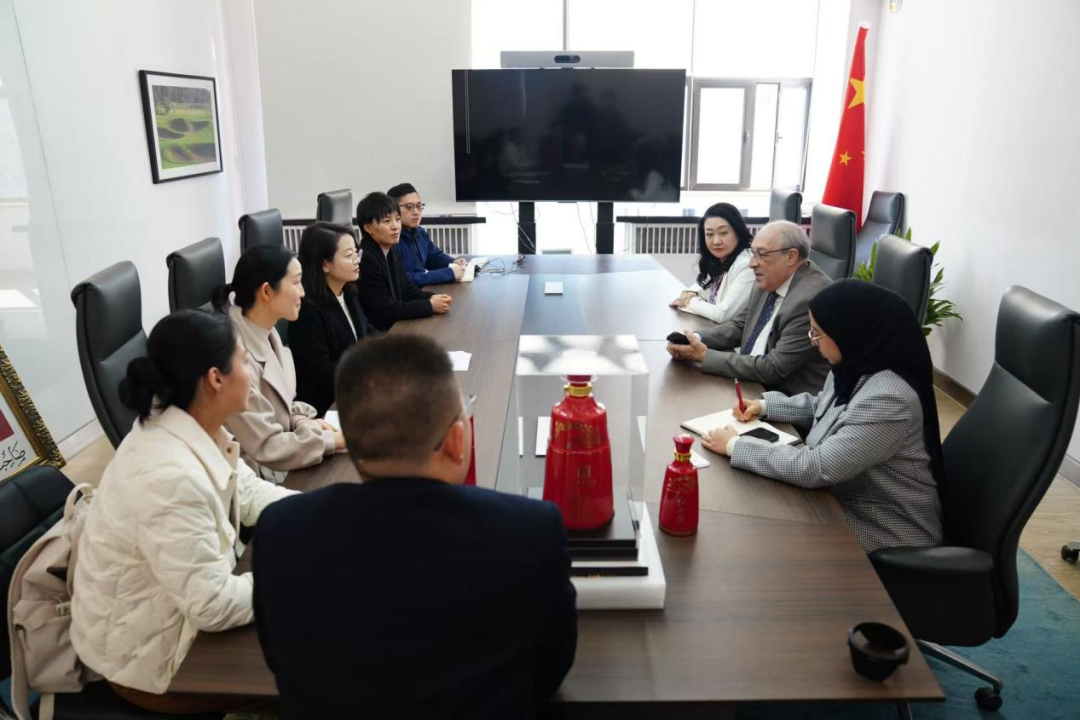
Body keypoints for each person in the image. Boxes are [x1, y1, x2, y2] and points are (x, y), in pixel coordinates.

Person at [253, 335, 577, 718]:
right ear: (457, 441)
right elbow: (550, 673)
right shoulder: (531, 532)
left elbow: (280, 662)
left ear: (349, 440)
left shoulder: (279, 531)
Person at [70, 310, 295, 713]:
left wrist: (323, 513)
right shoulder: (170, 477)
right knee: (316, 673)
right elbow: (213, 606)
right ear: (215, 379)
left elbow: (247, 492)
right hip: (155, 664)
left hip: (179, 615)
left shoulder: (187, 422)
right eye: (244, 362)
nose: (251, 373)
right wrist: (303, 575)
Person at [702, 280, 945, 554]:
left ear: (847, 332)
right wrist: (765, 406)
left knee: (765, 538)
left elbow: (816, 467)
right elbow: (824, 406)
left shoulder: (888, 399)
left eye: (817, 334)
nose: (812, 341)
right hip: (839, 498)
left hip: (883, 528)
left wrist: (735, 445)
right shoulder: (855, 364)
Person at [213, 244, 343, 481]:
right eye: (296, 283)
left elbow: (278, 405)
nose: (303, 292)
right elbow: (266, 445)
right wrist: (336, 441)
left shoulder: (267, 331)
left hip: (282, 458)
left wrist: (300, 419)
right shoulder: (233, 356)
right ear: (266, 291)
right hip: (252, 477)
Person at [667, 220, 832, 397]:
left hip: (785, 398)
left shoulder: (809, 300)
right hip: (751, 382)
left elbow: (774, 368)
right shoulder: (769, 278)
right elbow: (740, 325)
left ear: (791, 256)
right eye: (753, 253)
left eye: (761, 254)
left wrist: (705, 356)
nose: (752, 263)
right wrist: (695, 339)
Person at [289, 221, 379, 416]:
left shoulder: (347, 291)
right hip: (329, 407)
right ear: (325, 264)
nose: (356, 261)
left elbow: (366, 330)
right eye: (348, 256)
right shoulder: (307, 310)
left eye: (356, 253)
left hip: (357, 388)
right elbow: (322, 373)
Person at [356, 191, 453, 331]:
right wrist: (429, 305)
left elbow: (406, 289)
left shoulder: (389, 250)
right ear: (368, 227)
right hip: (382, 333)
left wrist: (433, 297)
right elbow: (384, 311)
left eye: (397, 219)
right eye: (387, 221)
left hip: (396, 325)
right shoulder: (366, 260)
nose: (395, 226)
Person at [669, 202, 755, 324]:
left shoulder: (747, 265)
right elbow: (706, 291)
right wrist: (690, 294)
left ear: (738, 233)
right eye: (709, 234)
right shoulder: (723, 259)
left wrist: (690, 301)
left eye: (723, 233)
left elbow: (722, 314)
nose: (716, 241)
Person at [388, 182, 468, 287]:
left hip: (421, 290)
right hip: (409, 294)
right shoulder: (391, 240)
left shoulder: (420, 233)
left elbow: (434, 257)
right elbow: (405, 279)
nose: (416, 212)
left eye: (419, 206)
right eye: (409, 207)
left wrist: (453, 262)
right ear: (393, 209)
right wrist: (449, 273)